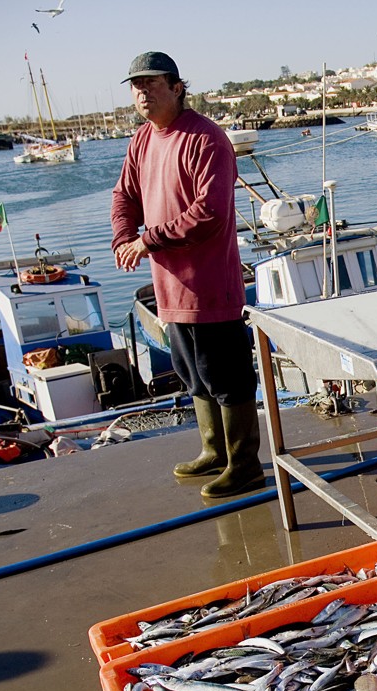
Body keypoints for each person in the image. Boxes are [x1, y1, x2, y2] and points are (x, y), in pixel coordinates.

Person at [110, 52, 264, 498]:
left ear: (177, 87)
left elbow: (210, 213)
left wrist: (148, 239)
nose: (142, 93)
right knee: (192, 373)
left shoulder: (207, 138)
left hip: (211, 285)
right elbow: (124, 195)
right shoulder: (141, 140)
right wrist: (124, 238)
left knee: (227, 375)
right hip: (168, 287)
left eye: (151, 84)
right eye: (136, 86)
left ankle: (245, 464)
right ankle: (214, 451)